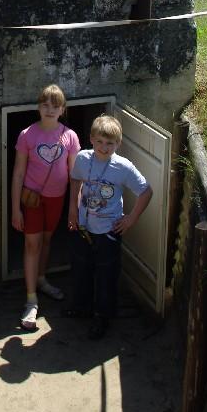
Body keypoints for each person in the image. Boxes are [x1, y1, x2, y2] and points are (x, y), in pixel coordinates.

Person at [66, 114, 152, 339]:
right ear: (91, 139)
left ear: (118, 144)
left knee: (106, 276)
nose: (104, 147)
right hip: (84, 227)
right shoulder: (83, 159)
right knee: (82, 270)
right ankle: (82, 307)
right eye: (100, 142)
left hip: (108, 232)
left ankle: (102, 317)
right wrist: (73, 210)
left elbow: (146, 191)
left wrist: (131, 219)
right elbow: (75, 180)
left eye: (110, 143)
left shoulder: (122, 167)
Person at [11, 85, 80, 330]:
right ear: (38, 107)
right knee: (32, 244)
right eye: (45, 104)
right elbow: (18, 173)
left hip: (57, 199)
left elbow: (75, 175)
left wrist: (74, 208)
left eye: (55, 105)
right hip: (33, 200)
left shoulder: (70, 137)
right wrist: (15, 209)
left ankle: (41, 280)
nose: (50, 109)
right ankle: (31, 300)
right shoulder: (27, 135)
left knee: (48, 240)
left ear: (63, 109)